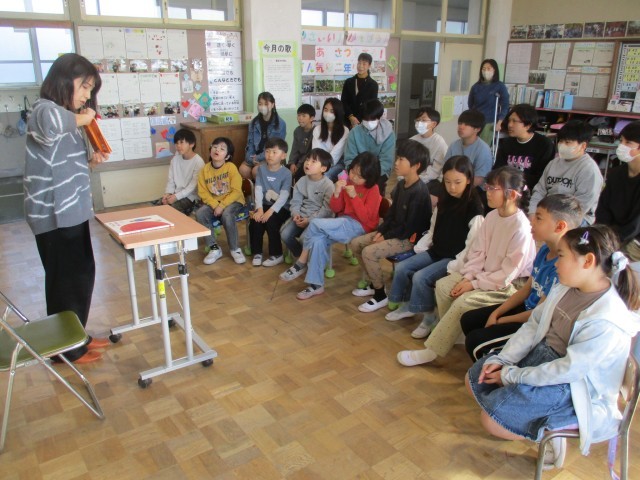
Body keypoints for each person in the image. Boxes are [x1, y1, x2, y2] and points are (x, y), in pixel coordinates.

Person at [465, 225, 640, 470]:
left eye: (561, 256)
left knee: (492, 420)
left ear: (588, 261)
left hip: (574, 386)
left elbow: (568, 370)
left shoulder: (606, 319)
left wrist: (511, 375)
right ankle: (533, 420)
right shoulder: (566, 286)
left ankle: (551, 432)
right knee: (475, 378)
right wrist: (504, 360)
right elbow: (534, 325)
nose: (556, 263)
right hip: (546, 360)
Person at [397, 167, 536, 367]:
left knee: (463, 301)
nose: (487, 192)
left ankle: (433, 350)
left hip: (507, 285)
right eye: (488, 187)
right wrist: (469, 277)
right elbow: (477, 252)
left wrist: (474, 284)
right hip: (483, 275)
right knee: (444, 287)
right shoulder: (492, 216)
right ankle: (452, 334)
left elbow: (508, 273)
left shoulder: (521, 228)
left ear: (512, 195)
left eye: (493, 188)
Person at [23, 53, 109, 364]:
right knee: (66, 282)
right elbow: (50, 126)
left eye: (91, 89)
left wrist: (91, 160)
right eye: (84, 87)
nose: (87, 95)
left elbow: (63, 164)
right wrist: (86, 118)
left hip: (72, 212)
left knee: (81, 275)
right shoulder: (44, 110)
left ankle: (77, 337)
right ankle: (65, 350)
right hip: (54, 216)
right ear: (63, 81)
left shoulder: (66, 116)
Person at [461, 194, 582, 361]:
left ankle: (494, 368)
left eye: (539, 218)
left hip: (535, 323)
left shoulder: (562, 267)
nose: (532, 221)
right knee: (468, 320)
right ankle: (487, 362)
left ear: (560, 226)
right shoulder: (545, 250)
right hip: (525, 308)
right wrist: (497, 313)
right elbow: (526, 290)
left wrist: (502, 320)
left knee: (475, 341)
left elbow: (538, 314)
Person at [385, 156, 485, 339]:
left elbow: (472, 246)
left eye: (457, 182)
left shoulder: (475, 208)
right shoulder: (444, 199)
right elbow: (433, 227)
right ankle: (407, 305)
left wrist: (454, 266)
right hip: (437, 250)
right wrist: (421, 247)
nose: (451, 187)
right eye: (447, 181)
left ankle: (429, 317)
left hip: (454, 258)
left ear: (469, 180)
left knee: (420, 277)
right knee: (402, 267)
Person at [349, 140, 432, 313]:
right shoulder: (401, 184)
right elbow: (391, 214)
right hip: (394, 232)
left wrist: (385, 236)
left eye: (401, 159)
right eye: (397, 158)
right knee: (356, 243)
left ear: (416, 165)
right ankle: (374, 283)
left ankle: (380, 295)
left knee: (369, 252)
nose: (396, 162)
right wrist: (381, 231)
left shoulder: (419, 191)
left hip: (410, 240)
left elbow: (408, 228)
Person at [286, 152, 382, 300]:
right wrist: (337, 193)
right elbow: (336, 208)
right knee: (318, 240)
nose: (354, 177)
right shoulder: (347, 182)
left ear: (369, 178)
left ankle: (301, 262)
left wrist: (354, 197)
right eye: (352, 172)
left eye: (360, 176)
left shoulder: (373, 189)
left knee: (315, 223)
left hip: (361, 226)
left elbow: (366, 218)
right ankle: (316, 285)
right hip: (343, 222)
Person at [529, 120, 603, 225]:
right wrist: (532, 212)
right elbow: (539, 191)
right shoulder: (553, 163)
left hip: (576, 218)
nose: (562, 145)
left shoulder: (589, 169)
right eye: (561, 141)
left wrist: (551, 220)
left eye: (567, 142)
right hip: (547, 212)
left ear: (583, 146)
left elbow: (580, 208)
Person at [279, 148, 335, 265]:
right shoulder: (301, 181)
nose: (308, 163)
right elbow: (296, 202)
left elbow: (327, 210)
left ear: (323, 168)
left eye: (313, 161)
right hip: (301, 216)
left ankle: (310, 260)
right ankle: (302, 257)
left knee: (305, 239)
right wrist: (295, 214)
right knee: (284, 234)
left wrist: (309, 220)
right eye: (307, 160)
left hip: (319, 220)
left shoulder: (328, 185)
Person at [196, 137, 247, 265]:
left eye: (222, 149)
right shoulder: (204, 170)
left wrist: (222, 205)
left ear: (227, 156)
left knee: (227, 214)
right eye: (215, 147)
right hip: (215, 203)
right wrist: (215, 205)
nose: (217, 150)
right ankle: (214, 248)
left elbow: (236, 191)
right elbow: (203, 193)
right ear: (210, 150)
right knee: (200, 213)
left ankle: (235, 249)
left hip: (234, 201)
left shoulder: (231, 168)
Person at [596, 120, 640, 261]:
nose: (622, 146)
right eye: (621, 141)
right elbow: (603, 208)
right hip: (613, 234)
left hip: (635, 240)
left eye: (628, 143)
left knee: (613, 263)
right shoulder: (616, 174)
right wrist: (600, 234)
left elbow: (635, 225)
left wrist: (611, 243)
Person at [249, 137, 292, 267]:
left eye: (274, 152)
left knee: (271, 221)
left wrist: (270, 211)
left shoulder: (287, 173)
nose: (270, 155)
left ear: (283, 156)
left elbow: (284, 196)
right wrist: (259, 209)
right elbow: (258, 189)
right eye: (267, 151)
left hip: (281, 207)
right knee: (256, 221)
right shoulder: (261, 169)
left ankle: (277, 254)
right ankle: (257, 252)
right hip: (264, 205)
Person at [493, 104, 555, 191]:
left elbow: (541, 177)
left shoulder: (544, 144)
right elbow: (497, 169)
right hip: (506, 188)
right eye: (509, 120)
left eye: (514, 121)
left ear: (528, 125)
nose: (510, 125)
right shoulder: (507, 143)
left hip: (531, 190)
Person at [344, 99, 395, 195]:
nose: (369, 122)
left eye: (373, 119)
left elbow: (386, 161)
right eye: (366, 119)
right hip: (357, 171)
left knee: (374, 189)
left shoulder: (388, 133)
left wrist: (368, 175)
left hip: (379, 172)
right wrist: (357, 174)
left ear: (380, 117)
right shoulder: (354, 133)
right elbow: (349, 158)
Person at [154, 128, 204, 215]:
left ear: (192, 144)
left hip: (191, 197)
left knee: (170, 212)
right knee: (157, 208)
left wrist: (176, 197)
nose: (178, 146)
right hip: (176, 193)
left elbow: (192, 187)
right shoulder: (175, 159)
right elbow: (171, 180)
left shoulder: (198, 162)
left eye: (181, 142)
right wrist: (168, 193)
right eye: (176, 143)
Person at [240, 92, 286, 180]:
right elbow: (250, 143)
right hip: (255, 156)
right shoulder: (254, 123)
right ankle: (254, 187)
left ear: (272, 105)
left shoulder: (280, 124)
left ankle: (262, 187)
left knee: (256, 171)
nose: (262, 107)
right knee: (243, 170)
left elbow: (274, 147)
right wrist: (250, 158)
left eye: (266, 104)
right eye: (260, 104)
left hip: (271, 156)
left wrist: (259, 158)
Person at [444, 109, 493, 187]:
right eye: (460, 123)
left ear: (477, 129)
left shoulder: (484, 149)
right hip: (453, 186)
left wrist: (458, 188)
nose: (461, 127)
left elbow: (479, 179)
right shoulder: (454, 145)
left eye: (466, 124)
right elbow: (445, 169)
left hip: (473, 189)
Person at [468, 59, 510, 147]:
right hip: (475, 121)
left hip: (489, 122)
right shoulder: (476, 87)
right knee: (471, 144)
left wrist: (499, 122)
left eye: (489, 68)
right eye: (483, 69)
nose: (486, 71)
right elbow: (470, 104)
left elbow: (505, 105)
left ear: (494, 70)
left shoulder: (499, 86)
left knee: (482, 146)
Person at [410, 107, 449, 198]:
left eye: (423, 120)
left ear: (434, 124)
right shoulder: (412, 140)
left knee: (417, 194)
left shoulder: (439, 143)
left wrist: (416, 180)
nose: (419, 123)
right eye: (418, 120)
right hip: (412, 178)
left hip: (432, 180)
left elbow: (436, 170)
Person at [313, 98, 350, 181]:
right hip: (319, 163)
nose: (327, 113)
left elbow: (336, 155)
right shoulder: (317, 129)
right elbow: (316, 151)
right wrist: (317, 167)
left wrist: (321, 169)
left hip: (338, 163)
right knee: (311, 174)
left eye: (332, 111)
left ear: (338, 113)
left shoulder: (345, 130)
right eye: (325, 110)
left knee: (324, 176)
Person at [341, 52, 379, 128]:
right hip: (348, 120)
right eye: (359, 63)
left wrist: (357, 120)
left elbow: (371, 105)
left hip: (364, 121)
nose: (361, 66)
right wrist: (351, 117)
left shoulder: (373, 85)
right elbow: (343, 101)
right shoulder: (348, 82)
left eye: (364, 64)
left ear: (369, 65)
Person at [287, 103, 316, 183]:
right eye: (299, 115)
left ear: (311, 118)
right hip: (297, 161)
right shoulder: (297, 131)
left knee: (299, 175)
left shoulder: (316, 131)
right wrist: (292, 163)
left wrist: (298, 165)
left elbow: (310, 152)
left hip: (308, 161)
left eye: (303, 116)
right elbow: (294, 149)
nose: (300, 118)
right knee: (285, 172)